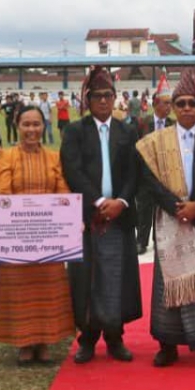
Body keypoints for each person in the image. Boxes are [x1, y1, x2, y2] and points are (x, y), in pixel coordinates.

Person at [136, 71, 195, 366]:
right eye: (181, 103)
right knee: (170, 284)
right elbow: (149, 181)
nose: (187, 108)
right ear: (173, 108)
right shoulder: (157, 141)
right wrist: (176, 207)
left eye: (193, 103)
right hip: (171, 220)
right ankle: (168, 345)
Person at [60, 67, 142, 363]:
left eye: (108, 96)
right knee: (87, 279)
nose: (103, 101)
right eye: (97, 96)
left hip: (119, 217)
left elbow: (135, 173)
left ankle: (115, 337)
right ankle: (88, 339)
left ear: (115, 98)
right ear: (88, 99)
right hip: (87, 217)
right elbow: (73, 170)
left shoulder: (128, 131)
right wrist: (97, 201)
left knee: (116, 277)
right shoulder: (75, 131)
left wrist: (120, 201)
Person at [0, 105, 75, 364]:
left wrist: (62, 218)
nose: (31, 130)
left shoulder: (54, 157)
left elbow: (63, 192)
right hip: (17, 234)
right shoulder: (6, 156)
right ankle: (24, 344)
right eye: (26, 124)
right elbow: (3, 194)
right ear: (17, 126)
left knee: (48, 288)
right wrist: (22, 218)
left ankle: (44, 342)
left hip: (48, 235)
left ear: (44, 126)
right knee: (20, 291)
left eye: (36, 124)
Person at [135, 92, 175, 255]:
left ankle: (160, 241)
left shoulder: (173, 125)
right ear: (155, 105)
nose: (168, 107)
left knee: (164, 210)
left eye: (170, 103)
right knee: (144, 210)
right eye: (165, 103)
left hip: (166, 177)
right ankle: (141, 241)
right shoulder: (142, 123)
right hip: (145, 176)